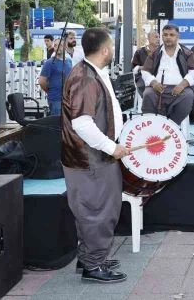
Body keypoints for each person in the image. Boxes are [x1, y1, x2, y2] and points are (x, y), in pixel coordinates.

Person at [60, 27, 129, 284]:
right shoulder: (86, 78)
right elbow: (82, 124)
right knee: (99, 211)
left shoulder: (90, 72)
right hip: (90, 159)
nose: (112, 50)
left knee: (91, 209)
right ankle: (93, 266)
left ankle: (89, 257)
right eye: (112, 47)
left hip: (94, 157)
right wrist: (112, 147)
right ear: (105, 50)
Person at [140, 24, 194, 127]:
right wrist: (154, 83)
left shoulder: (187, 53)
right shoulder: (155, 53)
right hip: (158, 89)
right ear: (162, 37)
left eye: (172, 35)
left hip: (180, 89)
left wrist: (182, 85)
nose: (168, 37)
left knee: (188, 96)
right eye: (165, 35)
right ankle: (153, 126)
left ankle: (171, 125)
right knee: (148, 94)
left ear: (178, 36)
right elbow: (145, 71)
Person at [38, 38, 73, 116]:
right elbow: (41, 81)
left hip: (68, 99)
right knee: (57, 121)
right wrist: (50, 91)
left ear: (66, 47)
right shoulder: (49, 63)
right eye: (56, 45)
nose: (57, 48)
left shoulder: (69, 61)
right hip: (55, 99)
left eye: (60, 45)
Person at [131, 30, 160, 96]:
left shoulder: (162, 52)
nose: (158, 39)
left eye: (159, 37)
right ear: (149, 38)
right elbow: (133, 68)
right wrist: (142, 67)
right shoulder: (140, 52)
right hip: (144, 82)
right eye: (156, 37)